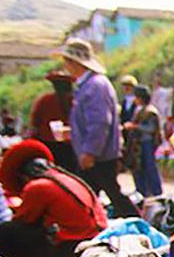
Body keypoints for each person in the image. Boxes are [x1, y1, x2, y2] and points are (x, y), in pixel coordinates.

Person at [54, 37, 139, 217]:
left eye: (67, 61)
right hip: (97, 153)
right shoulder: (88, 85)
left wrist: (90, 151)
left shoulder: (95, 85)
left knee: (106, 195)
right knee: (92, 196)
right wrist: (73, 133)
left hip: (99, 156)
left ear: (74, 62)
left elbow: (100, 122)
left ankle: (138, 225)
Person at [0, 139, 107, 257]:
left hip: (72, 246)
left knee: (5, 231)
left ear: (24, 176)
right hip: (95, 238)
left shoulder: (37, 186)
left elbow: (23, 220)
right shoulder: (66, 178)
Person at [27, 70, 78, 174]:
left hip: (49, 145)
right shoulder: (75, 101)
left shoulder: (44, 100)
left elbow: (34, 124)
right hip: (69, 145)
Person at [123, 85, 163, 198]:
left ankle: (156, 193)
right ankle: (142, 192)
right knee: (138, 168)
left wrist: (134, 126)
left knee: (150, 168)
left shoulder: (150, 112)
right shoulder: (139, 110)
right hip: (138, 144)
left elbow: (150, 129)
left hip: (147, 143)